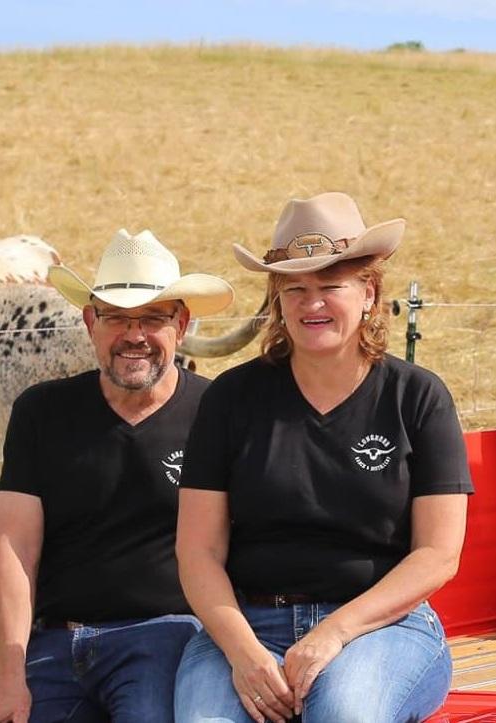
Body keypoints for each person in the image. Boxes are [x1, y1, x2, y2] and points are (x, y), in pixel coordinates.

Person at [174, 192, 474, 723]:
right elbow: (197, 552)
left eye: (330, 286)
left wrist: (332, 633)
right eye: (295, 289)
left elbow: (437, 555)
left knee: (344, 714)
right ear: (277, 301)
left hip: (382, 626)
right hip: (248, 623)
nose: (312, 304)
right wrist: (244, 656)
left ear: (368, 292)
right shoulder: (230, 398)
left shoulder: (418, 397)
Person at [0, 229, 235, 723]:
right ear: (90, 321)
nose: (134, 336)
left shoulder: (217, 412)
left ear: (182, 324)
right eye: (115, 317)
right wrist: (8, 675)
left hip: (167, 637)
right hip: (53, 641)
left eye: (153, 318)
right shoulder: (42, 412)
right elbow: (14, 548)